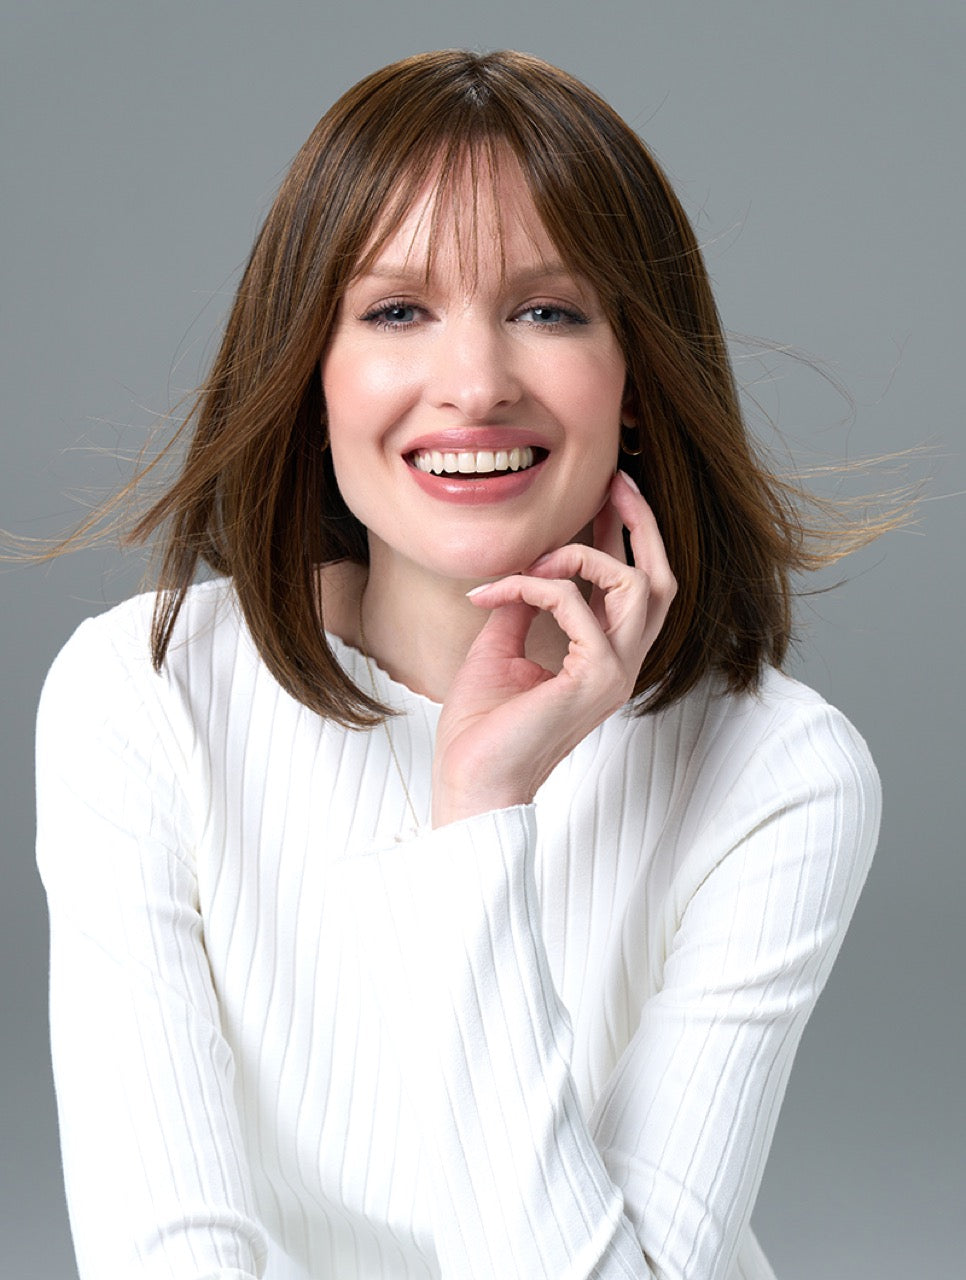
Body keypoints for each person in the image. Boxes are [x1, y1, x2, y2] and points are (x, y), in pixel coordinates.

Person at [35, 49, 886, 1280]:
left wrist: (482, 810)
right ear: (311, 372)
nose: (477, 386)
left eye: (549, 311)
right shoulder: (144, 693)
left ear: (636, 381)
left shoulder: (782, 772)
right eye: (396, 312)